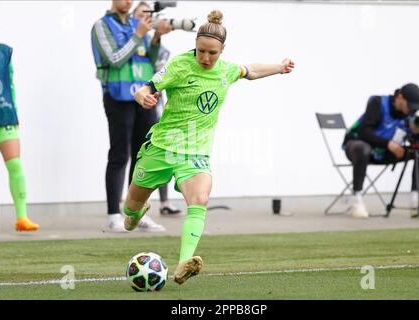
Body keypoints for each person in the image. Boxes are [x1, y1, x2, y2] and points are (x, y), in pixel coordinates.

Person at [124, 10, 294, 284]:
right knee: (129, 213)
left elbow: (250, 71)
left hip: (195, 154)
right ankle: (134, 214)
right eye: (201, 51)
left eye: (212, 53)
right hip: (161, 148)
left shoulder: (227, 70)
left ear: (222, 50)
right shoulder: (180, 65)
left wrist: (279, 66)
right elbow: (145, 88)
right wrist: (143, 97)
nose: (205, 58)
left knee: (200, 199)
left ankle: (183, 263)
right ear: (195, 46)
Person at [91, 0, 172, 232]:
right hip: (118, 97)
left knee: (142, 156)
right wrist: (138, 34)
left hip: (143, 97)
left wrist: (155, 37)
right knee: (119, 155)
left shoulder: (139, 25)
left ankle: (135, 213)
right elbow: (114, 59)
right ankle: (114, 214)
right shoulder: (102, 25)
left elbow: (154, 62)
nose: (128, 2)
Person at [343, 83, 419, 219]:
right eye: (409, 106)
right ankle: (356, 198)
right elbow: (364, 132)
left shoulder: (410, 114)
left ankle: (416, 197)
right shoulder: (377, 103)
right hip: (358, 148)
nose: (410, 110)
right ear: (400, 97)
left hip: (385, 153)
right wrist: (388, 144)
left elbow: (415, 139)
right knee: (363, 148)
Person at [132, 1, 182, 216]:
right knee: (133, 155)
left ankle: (163, 202)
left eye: (149, 14)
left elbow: (158, 72)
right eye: (141, 14)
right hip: (131, 101)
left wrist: (156, 36)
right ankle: (132, 204)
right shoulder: (130, 40)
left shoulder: (160, 48)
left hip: (156, 106)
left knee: (161, 152)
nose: (146, 18)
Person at [0, 41, 40, 233]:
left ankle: (22, 218)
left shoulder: (5, 52)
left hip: (4, 115)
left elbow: (10, 84)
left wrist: (14, 113)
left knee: (15, 165)